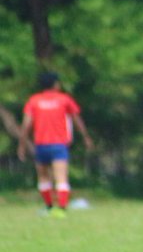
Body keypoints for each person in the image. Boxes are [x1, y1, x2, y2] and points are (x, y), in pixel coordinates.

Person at [18, 72, 94, 217]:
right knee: (61, 178)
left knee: (43, 178)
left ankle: (48, 206)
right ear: (56, 84)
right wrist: (86, 137)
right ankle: (62, 209)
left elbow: (26, 125)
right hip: (59, 145)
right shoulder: (64, 100)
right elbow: (77, 120)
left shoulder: (34, 101)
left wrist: (21, 144)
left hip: (40, 145)